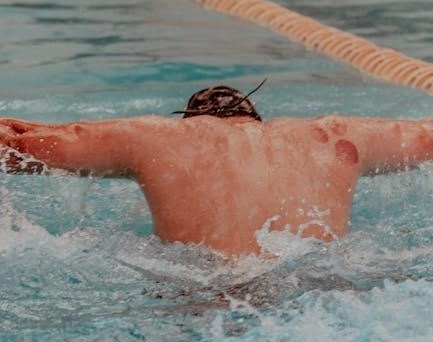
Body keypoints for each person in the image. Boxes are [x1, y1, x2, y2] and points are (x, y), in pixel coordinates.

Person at [0, 84, 432, 257]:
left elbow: (19, 147)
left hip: (205, 293)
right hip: (317, 287)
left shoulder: (158, 137)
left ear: (192, 122)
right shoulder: (332, 136)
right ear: (255, 120)